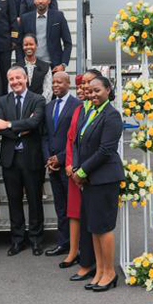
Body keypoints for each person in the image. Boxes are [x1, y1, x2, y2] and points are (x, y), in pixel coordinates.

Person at [71, 75, 124, 292]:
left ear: (108, 90)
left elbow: (106, 150)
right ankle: (100, 270)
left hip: (105, 179)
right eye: (90, 91)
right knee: (94, 228)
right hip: (90, 178)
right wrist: (77, 168)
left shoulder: (112, 116)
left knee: (104, 227)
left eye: (97, 91)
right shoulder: (91, 111)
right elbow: (78, 142)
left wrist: (82, 171)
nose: (93, 94)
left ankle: (110, 272)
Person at [0, 66, 47, 256]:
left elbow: (35, 122)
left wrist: (9, 124)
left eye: (18, 78)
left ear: (26, 79)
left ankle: (36, 239)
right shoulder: (2, 101)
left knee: (34, 200)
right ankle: (17, 240)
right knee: (14, 201)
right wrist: (22, 128)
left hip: (32, 158)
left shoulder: (38, 99)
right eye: (11, 79)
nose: (15, 82)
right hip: (10, 159)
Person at [42, 71, 80, 258]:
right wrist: (49, 158)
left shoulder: (77, 106)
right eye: (53, 82)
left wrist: (61, 158)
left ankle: (78, 246)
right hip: (53, 166)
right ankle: (63, 243)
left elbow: (77, 139)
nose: (55, 85)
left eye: (59, 82)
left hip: (69, 165)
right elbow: (45, 136)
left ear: (68, 83)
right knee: (60, 207)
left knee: (74, 207)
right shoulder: (49, 107)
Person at [66, 70, 99, 279]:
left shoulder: (100, 109)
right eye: (82, 84)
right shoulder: (80, 109)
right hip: (76, 171)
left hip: (91, 172)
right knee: (76, 213)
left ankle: (91, 262)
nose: (84, 87)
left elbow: (100, 147)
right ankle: (80, 257)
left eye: (89, 83)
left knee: (92, 219)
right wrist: (71, 166)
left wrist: (83, 170)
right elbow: (72, 139)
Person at [19, 0, 72, 73]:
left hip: (53, 66)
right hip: (31, 65)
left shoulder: (58, 16)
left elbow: (68, 42)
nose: (40, 1)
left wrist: (63, 64)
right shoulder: (25, 18)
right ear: (34, 0)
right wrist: (21, 64)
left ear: (49, 1)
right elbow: (19, 43)